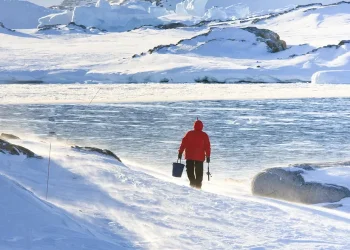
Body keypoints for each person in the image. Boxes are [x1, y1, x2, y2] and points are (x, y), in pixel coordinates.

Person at [178, 119, 211, 189]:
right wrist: (208, 156)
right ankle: (198, 186)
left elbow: (183, 144)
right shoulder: (204, 135)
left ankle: (192, 183)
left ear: (194, 126)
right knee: (199, 173)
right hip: (199, 158)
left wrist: (180, 152)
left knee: (190, 171)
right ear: (202, 126)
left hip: (189, 157)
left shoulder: (189, 133)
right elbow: (207, 147)